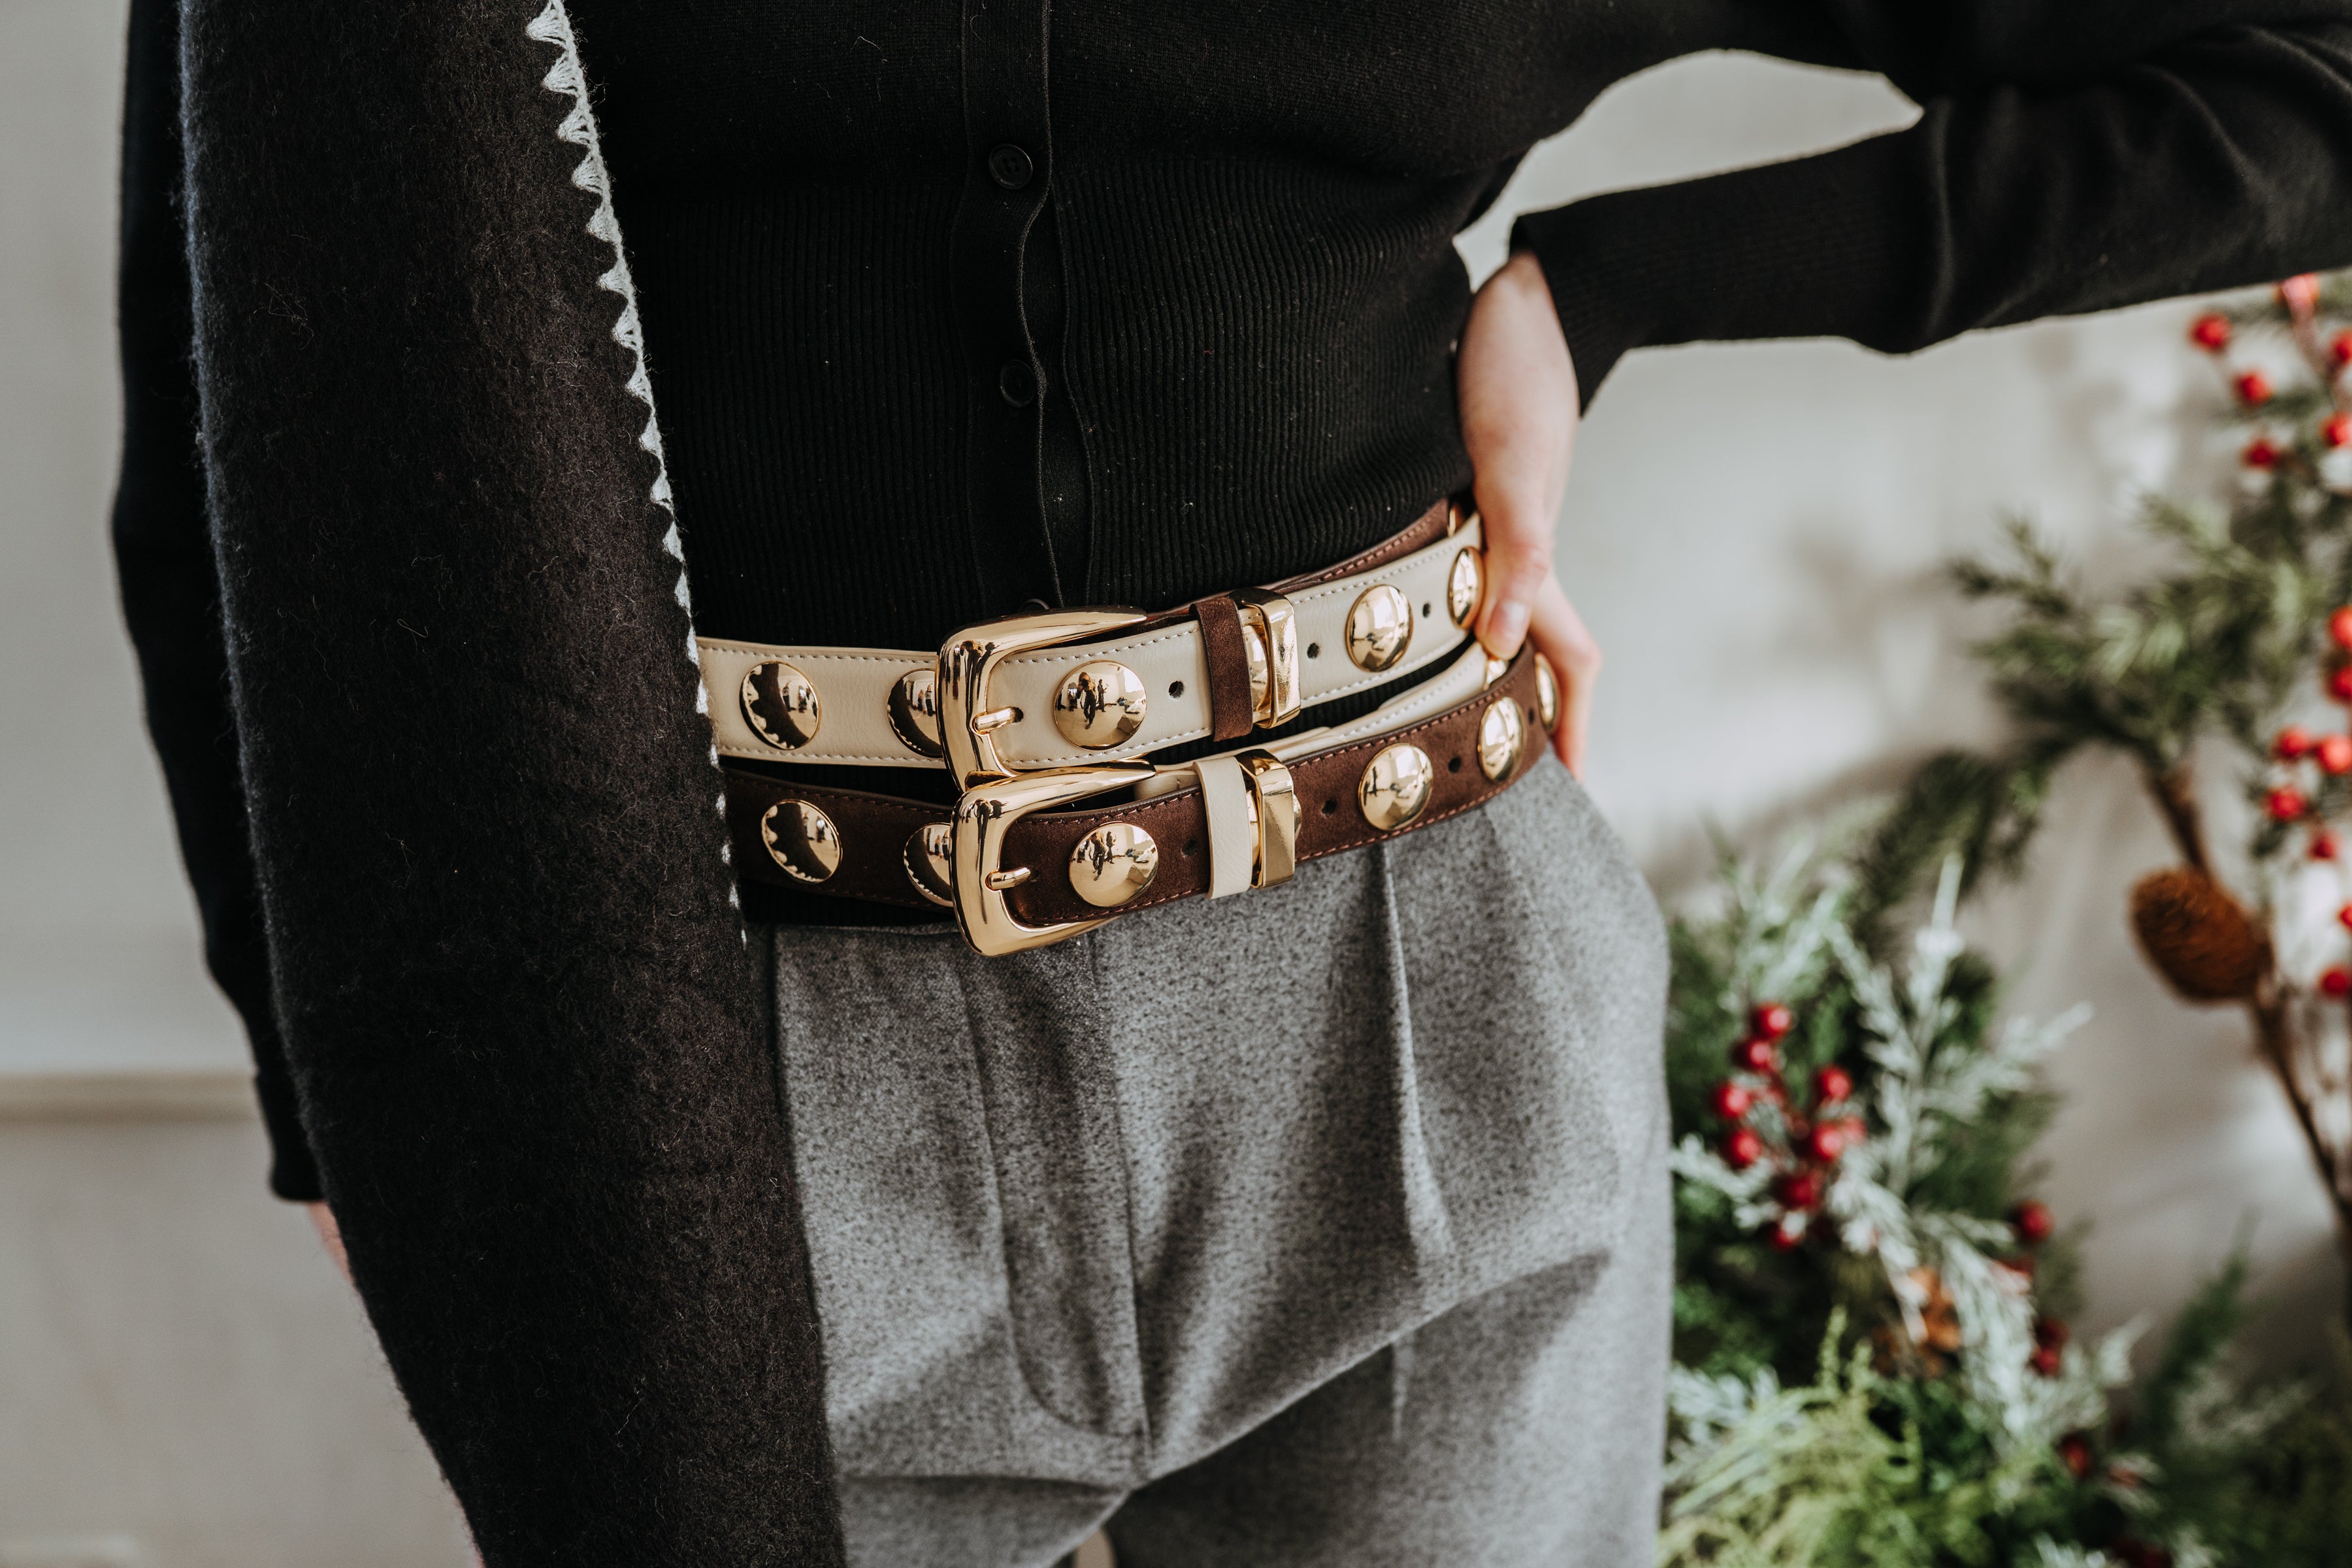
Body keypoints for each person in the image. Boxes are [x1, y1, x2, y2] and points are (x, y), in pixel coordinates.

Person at [112, 2, 2352, 1563]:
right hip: (720, 1055)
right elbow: (235, 399)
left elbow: (2307, 70)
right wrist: (333, 1066)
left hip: (1423, 988)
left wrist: (1617, 284)